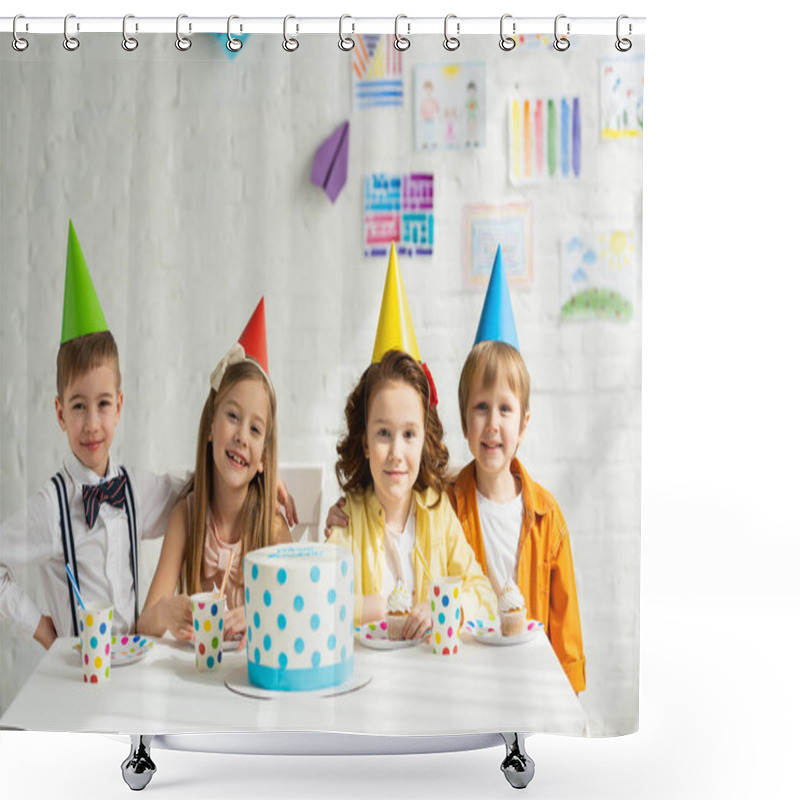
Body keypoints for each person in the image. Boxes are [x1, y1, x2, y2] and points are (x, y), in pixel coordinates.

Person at [0, 221, 185, 649]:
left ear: (119, 406)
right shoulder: (50, 508)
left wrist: (263, 478)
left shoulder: (137, 489)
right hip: (74, 683)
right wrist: (40, 627)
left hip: (134, 675)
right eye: (78, 406)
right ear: (60, 412)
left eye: (102, 404)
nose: (91, 424)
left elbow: (193, 487)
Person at [327, 246, 496, 638]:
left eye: (408, 434)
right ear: (365, 441)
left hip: (429, 683)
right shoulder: (348, 520)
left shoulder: (437, 514)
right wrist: (383, 606)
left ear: (424, 440)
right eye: (383, 433)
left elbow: (484, 595)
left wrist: (444, 608)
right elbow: (322, 602)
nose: (396, 453)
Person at [449, 245, 585, 693]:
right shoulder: (445, 505)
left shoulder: (548, 518)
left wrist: (569, 703)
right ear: (464, 419)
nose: (492, 424)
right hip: (466, 681)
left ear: (523, 423)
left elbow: (566, 636)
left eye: (505, 409)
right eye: (481, 407)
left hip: (530, 684)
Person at [137, 298, 292, 644]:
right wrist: (166, 612)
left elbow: (298, 612)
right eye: (233, 416)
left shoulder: (272, 528)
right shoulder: (187, 516)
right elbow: (145, 623)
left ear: (263, 458)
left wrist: (258, 617)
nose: (240, 436)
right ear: (210, 426)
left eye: (255, 430)